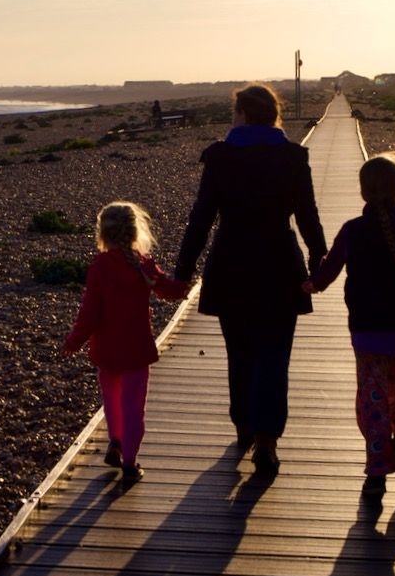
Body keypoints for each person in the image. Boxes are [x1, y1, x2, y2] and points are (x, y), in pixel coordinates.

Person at [175, 83, 326, 478]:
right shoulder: (292, 157)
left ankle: (243, 425)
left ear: (241, 113)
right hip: (279, 264)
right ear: (273, 114)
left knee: (240, 353)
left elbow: (201, 218)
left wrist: (183, 270)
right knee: (274, 357)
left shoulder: (221, 157)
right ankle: (267, 442)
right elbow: (307, 215)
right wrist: (319, 259)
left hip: (231, 265)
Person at [306, 152, 395, 503]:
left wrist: (307, 285)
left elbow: (325, 275)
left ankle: (376, 473)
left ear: (363, 192)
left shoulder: (352, 231)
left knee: (372, 400)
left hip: (366, 332)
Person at [63, 201, 189, 489]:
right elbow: (167, 289)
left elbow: (89, 314)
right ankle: (130, 463)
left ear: (103, 235)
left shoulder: (99, 267)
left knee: (112, 401)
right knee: (134, 407)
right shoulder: (142, 264)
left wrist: (74, 342)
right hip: (136, 351)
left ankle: (115, 442)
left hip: (106, 351)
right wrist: (183, 286)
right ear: (134, 232)